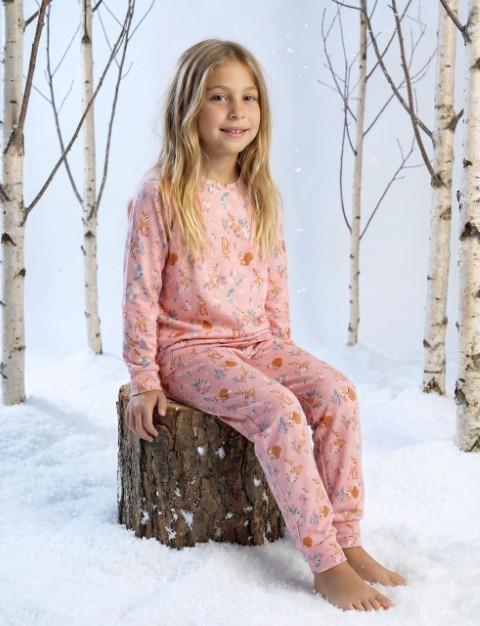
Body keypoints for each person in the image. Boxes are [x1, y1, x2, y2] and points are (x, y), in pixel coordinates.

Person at [121, 38, 407, 612]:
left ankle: (347, 538)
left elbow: (274, 283)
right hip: (189, 350)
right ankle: (325, 563)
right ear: (188, 106)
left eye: (248, 97)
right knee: (279, 411)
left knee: (336, 393)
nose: (237, 111)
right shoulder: (161, 193)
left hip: (256, 343)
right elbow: (139, 291)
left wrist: (286, 354)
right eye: (219, 97)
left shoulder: (258, 190)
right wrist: (143, 379)